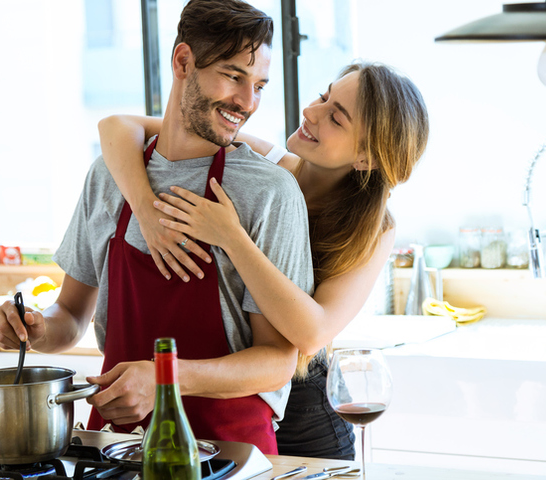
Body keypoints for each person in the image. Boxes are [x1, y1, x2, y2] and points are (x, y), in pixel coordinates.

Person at [0, 0, 314, 456]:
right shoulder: (110, 176)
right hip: (116, 448)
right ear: (184, 61)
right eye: (233, 75)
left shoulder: (269, 192)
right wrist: (35, 329)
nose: (248, 102)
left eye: (258, 85)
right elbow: (71, 317)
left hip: (229, 453)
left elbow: (277, 362)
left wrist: (164, 378)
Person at [96, 61, 430, 458]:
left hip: (306, 420)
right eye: (324, 97)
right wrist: (145, 209)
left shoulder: (374, 230)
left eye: (335, 118)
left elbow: (312, 333)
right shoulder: (263, 162)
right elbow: (117, 127)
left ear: (365, 158)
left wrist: (233, 238)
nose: (311, 112)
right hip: (226, 403)